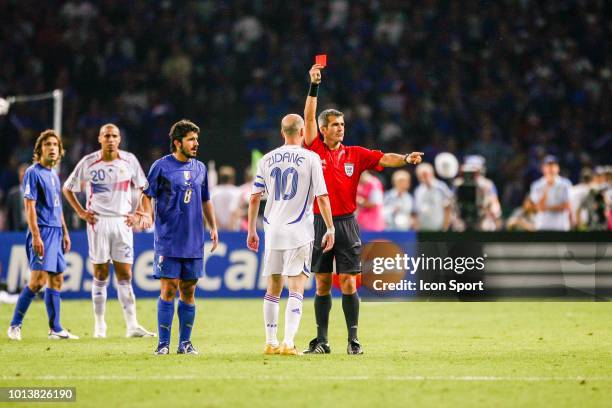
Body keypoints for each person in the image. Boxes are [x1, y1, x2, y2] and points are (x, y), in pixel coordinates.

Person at [302, 64, 423, 355]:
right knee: (321, 283)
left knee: (347, 282)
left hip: (347, 224)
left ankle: (353, 340)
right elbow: (307, 116)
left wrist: (406, 158)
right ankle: (322, 341)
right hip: (320, 222)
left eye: (342, 125)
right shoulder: (313, 149)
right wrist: (314, 86)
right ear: (322, 129)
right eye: (335, 125)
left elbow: (385, 157)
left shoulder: (356, 154)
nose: (340, 128)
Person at [247, 113, 335, 356]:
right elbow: (322, 197)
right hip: (299, 231)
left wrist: (252, 229)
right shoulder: (311, 157)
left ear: (282, 132)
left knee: (272, 288)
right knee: (296, 288)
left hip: (273, 230)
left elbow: (255, 197)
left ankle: (270, 342)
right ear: (302, 133)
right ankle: (288, 342)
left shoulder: (267, 159)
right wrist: (330, 227)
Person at [63, 123, 155, 338]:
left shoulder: (129, 160)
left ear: (119, 139)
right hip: (98, 222)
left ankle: (132, 325)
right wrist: (81, 212)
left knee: (125, 274)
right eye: (107, 136)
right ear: (100, 139)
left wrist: (140, 212)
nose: (111, 139)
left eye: (114, 136)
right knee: (100, 274)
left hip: (123, 222)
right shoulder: (89, 162)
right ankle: (100, 325)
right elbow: (67, 188)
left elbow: (145, 188)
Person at [141, 119, 219, 355]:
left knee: (189, 289)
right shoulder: (161, 166)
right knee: (169, 288)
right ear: (177, 143)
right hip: (168, 238)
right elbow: (146, 195)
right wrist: (146, 214)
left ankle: (184, 343)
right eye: (191, 140)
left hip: (194, 239)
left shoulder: (200, 168)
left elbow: (206, 199)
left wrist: (213, 227)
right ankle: (163, 344)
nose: (196, 144)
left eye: (196, 139)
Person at [7, 130, 78, 340]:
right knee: (37, 281)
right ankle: (14, 325)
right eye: (48, 144)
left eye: (55, 145)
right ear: (39, 150)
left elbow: (57, 208)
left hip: (56, 232)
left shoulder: (54, 175)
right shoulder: (33, 172)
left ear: (60, 150)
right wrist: (36, 236)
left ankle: (55, 328)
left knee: (56, 280)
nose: (53, 148)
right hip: (42, 231)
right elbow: (29, 205)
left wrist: (65, 232)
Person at [528, 155, 571, 231]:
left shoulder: (566, 184)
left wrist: (547, 208)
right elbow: (538, 207)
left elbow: (567, 206)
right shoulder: (537, 185)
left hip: (561, 226)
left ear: (558, 168)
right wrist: (547, 188)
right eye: (548, 166)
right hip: (542, 226)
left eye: (553, 165)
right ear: (543, 168)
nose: (550, 168)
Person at [413, 163, 453, 231]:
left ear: (432, 173)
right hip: (423, 230)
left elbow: (448, 208)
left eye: (425, 174)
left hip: (440, 230)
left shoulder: (441, 187)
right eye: (421, 175)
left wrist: (445, 227)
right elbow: (416, 211)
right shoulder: (418, 190)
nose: (424, 177)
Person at [211, 165, 242, 231]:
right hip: (232, 229)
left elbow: (211, 211)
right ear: (232, 178)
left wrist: (217, 226)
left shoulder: (213, 191)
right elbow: (235, 211)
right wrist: (229, 229)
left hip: (216, 229)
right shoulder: (237, 192)